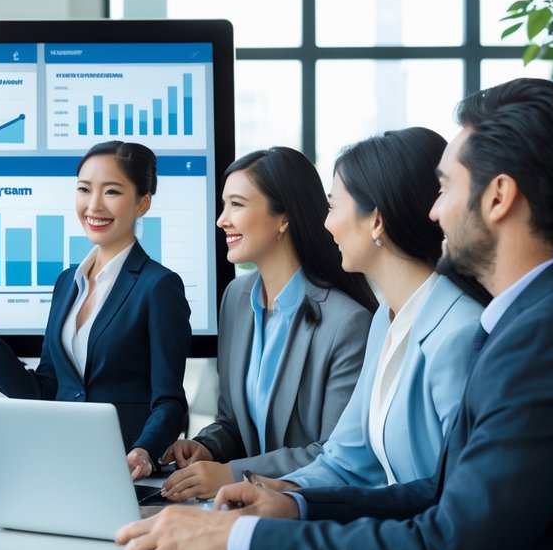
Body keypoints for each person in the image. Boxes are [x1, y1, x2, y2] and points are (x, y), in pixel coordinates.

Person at [116, 78, 553, 550]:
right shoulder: (514, 323)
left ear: (498, 197)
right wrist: (293, 507)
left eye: (446, 188)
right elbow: (439, 491)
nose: (434, 212)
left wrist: (236, 545)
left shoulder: (535, 336)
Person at [162, 129, 489, 501]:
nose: (325, 222)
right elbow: (345, 457)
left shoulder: (459, 334)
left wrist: (265, 494)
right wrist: (280, 497)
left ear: (376, 221)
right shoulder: (387, 319)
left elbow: (458, 501)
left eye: (333, 206)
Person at [0, 141, 191, 478]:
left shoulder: (158, 286)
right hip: (59, 466)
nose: (93, 205)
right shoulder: (68, 284)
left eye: (111, 192)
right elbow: (45, 392)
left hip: (124, 473)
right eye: (84, 189)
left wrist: (145, 451)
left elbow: (169, 401)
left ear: (142, 203)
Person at [158, 147, 377, 482]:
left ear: (284, 217)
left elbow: (332, 453)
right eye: (223, 204)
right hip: (243, 505)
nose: (222, 219)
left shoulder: (346, 323)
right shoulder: (236, 298)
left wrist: (231, 473)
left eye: (237, 204)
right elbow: (233, 422)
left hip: (305, 512)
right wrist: (208, 447)